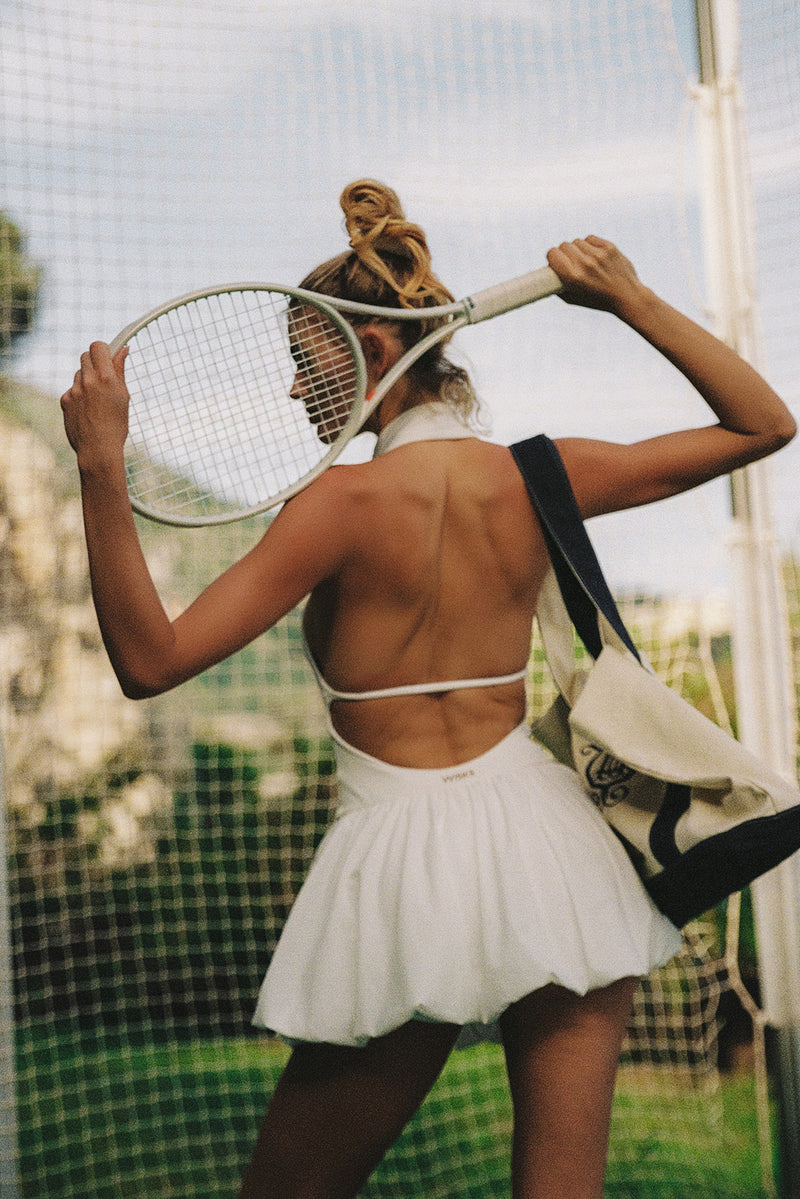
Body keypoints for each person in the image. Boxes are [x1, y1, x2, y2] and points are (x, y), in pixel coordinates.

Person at [61, 179, 795, 1199]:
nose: (289, 392)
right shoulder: (535, 475)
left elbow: (149, 661)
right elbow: (763, 422)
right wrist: (628, 296)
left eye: (300, 363)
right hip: (554, 853)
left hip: (403, 868)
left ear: (368, 353)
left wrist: (101, 464)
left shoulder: (339, 504)